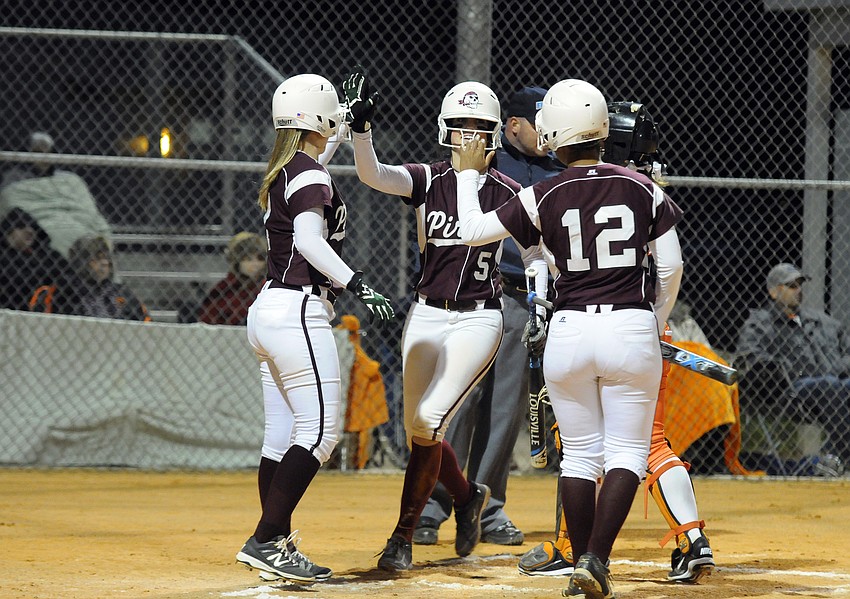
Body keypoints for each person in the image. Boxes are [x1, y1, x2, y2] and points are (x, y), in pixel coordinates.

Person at [455, 80, 684, 599]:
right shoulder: (643, 186)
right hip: (629, 325)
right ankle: (596, 559)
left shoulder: (540, 192)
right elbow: (669, 266)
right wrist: (653, 317)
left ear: (554, 133)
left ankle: (582, 561)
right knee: (626, 453)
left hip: (570, 327)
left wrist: (469, 175)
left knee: (579, 456)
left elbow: (471, 230)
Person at [343, 66, 548, 571]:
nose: (468, 136)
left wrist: (541, 299)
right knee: (419, 427)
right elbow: (372, 176)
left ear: (495, 132)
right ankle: (466, 496)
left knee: (431, 419)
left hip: (479, 318)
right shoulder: (428, 179)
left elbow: (534, 255)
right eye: (460, 125)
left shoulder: (506, 189)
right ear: (444, 128)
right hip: (427, 313)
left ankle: (402, 535)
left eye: (478, 127)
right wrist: (361, 131)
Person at [517, 101, 715, 584]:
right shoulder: (638, 185)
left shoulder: (597, 187)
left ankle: (670, 539)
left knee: (611, 444)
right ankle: (596, 544)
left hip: (605, 323)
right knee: (627, 442)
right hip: (638, 325)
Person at [233, 73, 394, 584]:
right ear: (317, 118)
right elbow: (307, 240)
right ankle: (266, 539)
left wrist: (347, 122)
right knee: (320, 432)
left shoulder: (288, 169)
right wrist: (357, 283)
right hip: (299, 310)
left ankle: (273, 544)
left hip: (269, 312)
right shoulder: (308, 175)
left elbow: (316, 158)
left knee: (281, 437)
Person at [413, 86, 563, 548]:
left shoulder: (557, 170)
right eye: (539, 122)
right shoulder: (486, 164)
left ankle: (490, 507)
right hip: (475, 295)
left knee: (505, 410)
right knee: (455, 407)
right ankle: (433, 506)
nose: (548, 133)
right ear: (513, 125)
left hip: (524, 299)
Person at [736, 261, 850, 465]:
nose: (798, 290)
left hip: (835, 384)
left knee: (837, 386)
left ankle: (832, 460)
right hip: (790, 392)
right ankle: (838, 457)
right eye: (791, 286)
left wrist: (840, 368)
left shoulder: (821, 321)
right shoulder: (761, 323)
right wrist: (783, 370)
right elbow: (748, 357)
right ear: (773, 292)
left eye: (800, 285)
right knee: (831, 386)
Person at [0, 131, 112, 258]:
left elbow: (88, 210)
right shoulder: (12, 180)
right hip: (45, 232)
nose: (43, 156)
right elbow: (11, 206)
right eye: (37, 152)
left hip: (77, 226)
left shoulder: (68, 179)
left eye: (47, 151)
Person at [35, 235, 151, 320]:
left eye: (106, 258)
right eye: (98, 258)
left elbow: (146, 321)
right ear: (82, 261)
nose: (105, 263)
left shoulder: (121, 292)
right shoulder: (61, 290)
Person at [0, 207, 71, 311]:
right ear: (9, 232)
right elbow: (16, 282)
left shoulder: (48, 253)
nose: (29, 231)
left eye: (33, 227)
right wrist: (50, 273)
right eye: (21, 226)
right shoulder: (3, 255)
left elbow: (69, 273)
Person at [197, 231, 267, 325]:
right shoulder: (224, 289)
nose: (255, 264)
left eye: (260, 258)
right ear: (237, 261)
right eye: (248, 259)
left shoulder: (267, 288)